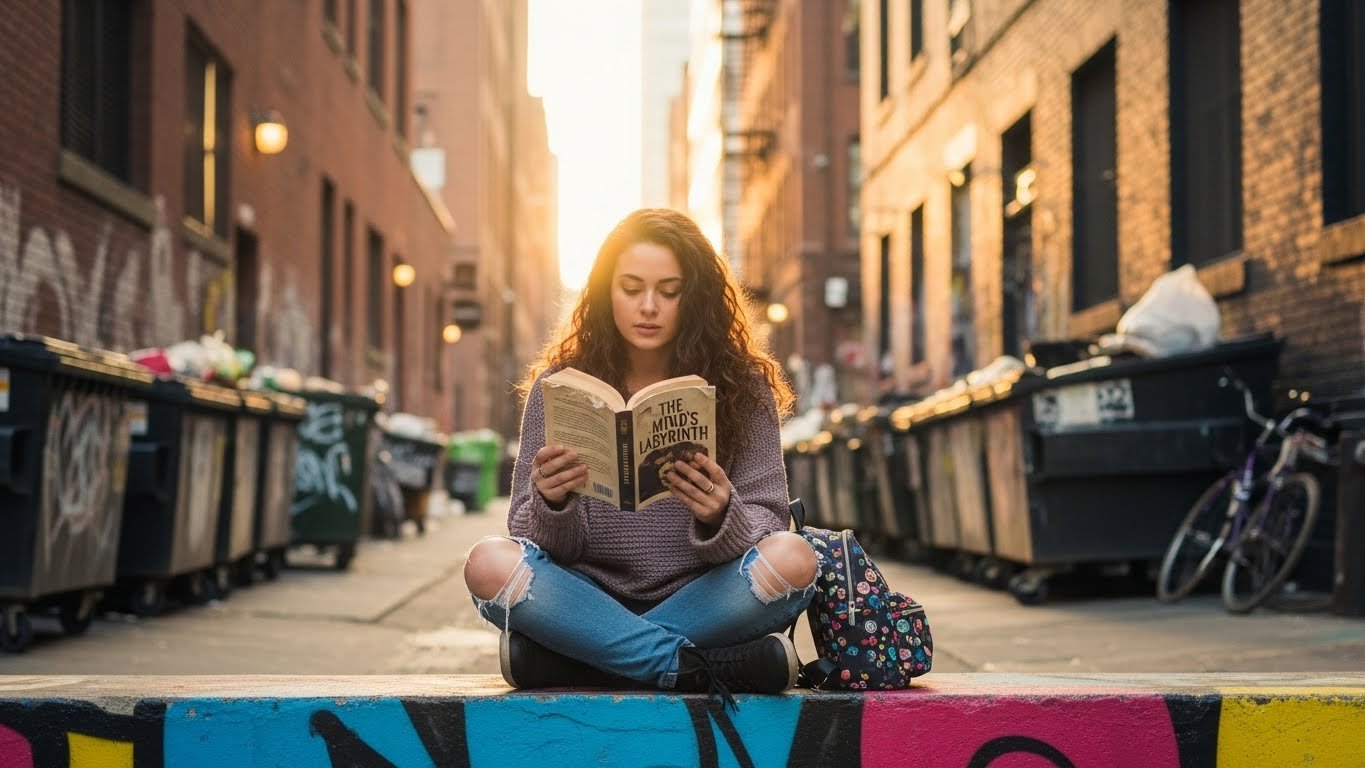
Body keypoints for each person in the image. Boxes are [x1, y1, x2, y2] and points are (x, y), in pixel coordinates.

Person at [462, 208, 818, 699]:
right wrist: (554, 503)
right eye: (631, 288)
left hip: (706, 598)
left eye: (668, 292)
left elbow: (772, 521)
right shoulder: (560, 387)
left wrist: (721, 514)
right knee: (487, 564)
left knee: (795, 559)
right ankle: (687, 665)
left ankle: (586, 660)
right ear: (606, 292)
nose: (648, 306)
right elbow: (524, 536)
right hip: (583, 600)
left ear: (692, 298)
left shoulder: (742, 387)